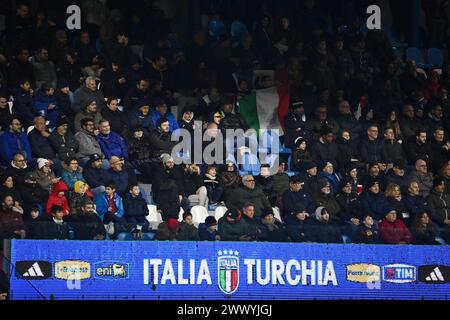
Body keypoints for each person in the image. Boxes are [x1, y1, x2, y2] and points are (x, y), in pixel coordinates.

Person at [426, 178, 450, 243]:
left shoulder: (447, 197)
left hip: (448, 221)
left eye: (443, 185)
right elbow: (432, 214)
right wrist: (443, 220)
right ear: (435, 187)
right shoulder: (430, 198)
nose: (443, 187)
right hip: (438, 222)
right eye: (440, 185)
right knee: (447, 231)